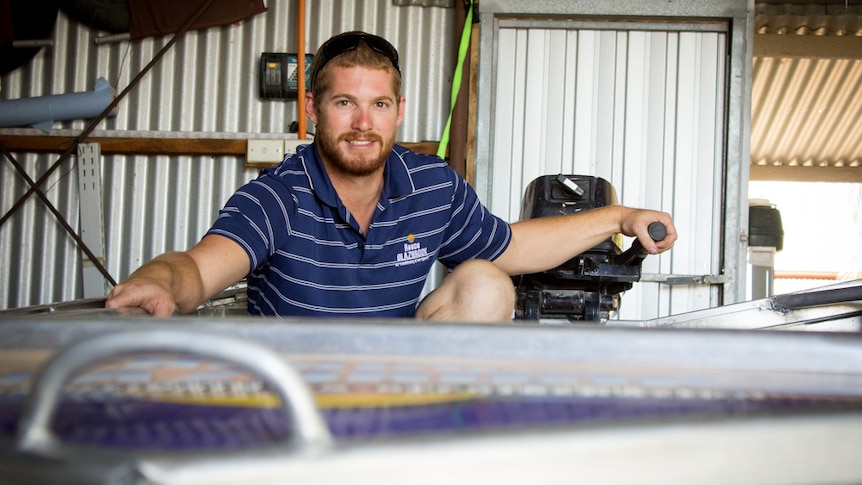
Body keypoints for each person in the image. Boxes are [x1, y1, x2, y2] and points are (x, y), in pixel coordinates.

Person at [106, 31, 677, 322]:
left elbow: (511, 246)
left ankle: (437, 441)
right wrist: (158, 282)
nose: (361, 124)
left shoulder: (431, 186)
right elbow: (197, 269)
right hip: (289, 400)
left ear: (398, 110)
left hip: (397, 389)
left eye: (378, 105)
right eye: (344, 103)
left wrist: (620, 217)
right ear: (313, 108)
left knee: (486, 283)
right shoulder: (277, 197)